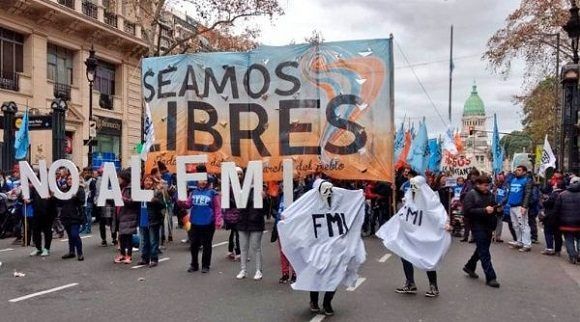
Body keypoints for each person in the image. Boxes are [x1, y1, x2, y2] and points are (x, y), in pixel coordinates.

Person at [182, 165, 223, 273]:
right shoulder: (193, 192)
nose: (203, 182)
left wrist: (218, 220)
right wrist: (180, 202)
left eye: (205, 180)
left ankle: (205, 265)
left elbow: (217, 208)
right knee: (194, 244)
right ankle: (194, 264)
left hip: (208, 223)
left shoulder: (212, 193)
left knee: (207, 245)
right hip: (194, 222)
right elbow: (187, 204)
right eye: (201, 180)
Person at [462, 175, 500, 288]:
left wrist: (497, 210)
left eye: (488, 185)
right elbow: (468, 211)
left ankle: (469, 266)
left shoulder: (490, 195)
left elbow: (493, 208)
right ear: (478, 184)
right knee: (484, 251)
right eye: (485, 185)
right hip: (476, 225)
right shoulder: (471, 194)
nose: (487, 187)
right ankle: (491, 277)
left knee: (482, 249)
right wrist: (484, 210)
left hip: (488, 224)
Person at [235, 172, 267, 281]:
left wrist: (265, 199)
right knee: (243, 247)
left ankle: (258, 270)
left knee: (256, 247)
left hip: (256, 222)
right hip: (243, 222)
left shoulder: (260, 190)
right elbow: (235, 206)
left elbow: (266, 210)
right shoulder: (240, 190)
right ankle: (243, 269)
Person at [504, 165, 533, 252]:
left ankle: (527, 244)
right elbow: (509, 193)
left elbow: (528, 194)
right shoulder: (513, 180)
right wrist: (502, 203)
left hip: (520, 206)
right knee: (515, 226)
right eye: (516, 170)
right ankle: (519, 241)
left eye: (519, 170)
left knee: (523, 225)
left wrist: (524, 206)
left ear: (524, 172)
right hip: (512, 206)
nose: (517, 171)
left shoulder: (527, 180)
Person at [138, 175, 164, 267]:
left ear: (153, 183)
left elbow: (162, 205)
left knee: (153, 240)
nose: (148, 182)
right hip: (142, 218)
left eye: (150, 181)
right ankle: (144, 258)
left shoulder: (157, 193)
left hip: (153, 219)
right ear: (143, 182)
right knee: (145, 240)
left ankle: (154, 259)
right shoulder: (139, 193)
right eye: (146, 180)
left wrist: (155, 201)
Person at [115, 169, 139, 264]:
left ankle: (128, 255)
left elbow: (133, 202)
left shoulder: (130, 189)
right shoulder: (120, 188)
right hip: (120, 214)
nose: (118, 179)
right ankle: (122, 254)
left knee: (128, 237)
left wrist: (123, 199)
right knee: (121, 236)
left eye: (120, 178)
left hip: (128, 215)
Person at [554, 176, 580, 264]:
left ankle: (572, 256)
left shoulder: (562, 194)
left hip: (565, 222)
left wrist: (556, 221)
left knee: (569, 239)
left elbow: (557, 209)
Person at [60, 175, 86, 261]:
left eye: (71, 179)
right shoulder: (64, 190)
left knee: (75, 234)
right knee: (70, 235)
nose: (69, 180)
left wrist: (75, 197)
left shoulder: (79, 189)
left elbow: (82, 201)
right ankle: (71, 252)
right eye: (68, 179)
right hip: (66, 216)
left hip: (76, 216)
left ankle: (80, 253)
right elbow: (60, 202)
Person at [28, 182, 56, 257]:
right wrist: (29, 201)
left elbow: (56, 198)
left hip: (48, 211)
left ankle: (47, 248)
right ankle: (38, 248)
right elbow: (32, 198)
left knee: (47, 230)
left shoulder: (51, 184)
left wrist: (51, 198)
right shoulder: (35, 186)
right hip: (37, 211)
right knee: (36, 230)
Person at [541, 181, 565, 256]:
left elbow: (548, 203)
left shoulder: (555, 194)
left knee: (548, 232)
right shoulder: (564, 193)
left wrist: (544, 201)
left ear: (557, 186)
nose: (553, 185)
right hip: (560, 217)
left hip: (550, 216)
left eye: (555, 184)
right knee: (558, 234)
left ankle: (550, 248)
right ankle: (558, 250)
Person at [460, 168, 481, 243]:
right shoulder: (467, 183)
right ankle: (465, 236)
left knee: (474, 221)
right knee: (466, 221)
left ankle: (473, 237)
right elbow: (462, 192)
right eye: (472, 175)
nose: (473, 177)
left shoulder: (479, 183)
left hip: (475, 205)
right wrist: (464, 196)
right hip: (467, 204)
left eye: (475, 175)